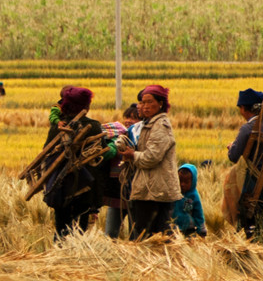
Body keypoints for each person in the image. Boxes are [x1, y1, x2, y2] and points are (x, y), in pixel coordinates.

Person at [41, 86, 114, 239]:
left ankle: (59, 254)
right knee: (80, 228)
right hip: (85, 187)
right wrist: (115, 146)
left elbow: (46, 151)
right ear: (85, 106)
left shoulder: (58, 126)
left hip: (61, 186)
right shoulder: (93, 126)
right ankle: (75, 257)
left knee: (61, 226)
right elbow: (103, 152)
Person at [117, 85, 180, 241]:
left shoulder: (160, 126)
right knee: (148, 234)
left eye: (149, 102)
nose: (144, 106)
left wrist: (133, 155)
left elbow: (151, 157)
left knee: (151, 236)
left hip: (155, 191)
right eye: (142, 102)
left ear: (160, 103)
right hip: (150, 188)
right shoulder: (149, 123)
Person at [227, 87, 263, 241]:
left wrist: (231, 147)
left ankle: (245, 229)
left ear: (244, 109)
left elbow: (234, 156)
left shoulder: (247, 128)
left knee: (231, 186)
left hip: (254, 185)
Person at [104, 103, 141, 238]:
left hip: (134, 189)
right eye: (127, 117)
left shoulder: (140, 138)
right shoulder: (117, 135)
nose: (129, 120)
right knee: (110, 233)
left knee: (135, 234)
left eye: (134, 118)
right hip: (116, 190)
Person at [173, 163, 207, 238]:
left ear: (193, 182)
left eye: (186, 182)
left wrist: (201, 230)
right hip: (173, 229)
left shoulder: (193, 196)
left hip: (189, 229)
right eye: (180, 181)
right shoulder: (173, 194)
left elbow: (198, 214)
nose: (182, 184)